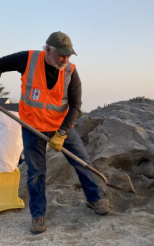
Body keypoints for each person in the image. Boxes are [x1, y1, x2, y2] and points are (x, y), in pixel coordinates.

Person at [0, 31, 109, 234]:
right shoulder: (27, 59)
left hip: (61, 126)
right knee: (36, 173)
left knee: (82, 161)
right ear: (48, 50)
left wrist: (63, 132)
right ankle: (38, 214)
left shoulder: (71, 71)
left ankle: (94, 199)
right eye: (61, 55)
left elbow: (76, 104)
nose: (65, 59)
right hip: (32, 127)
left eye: (69, 55)